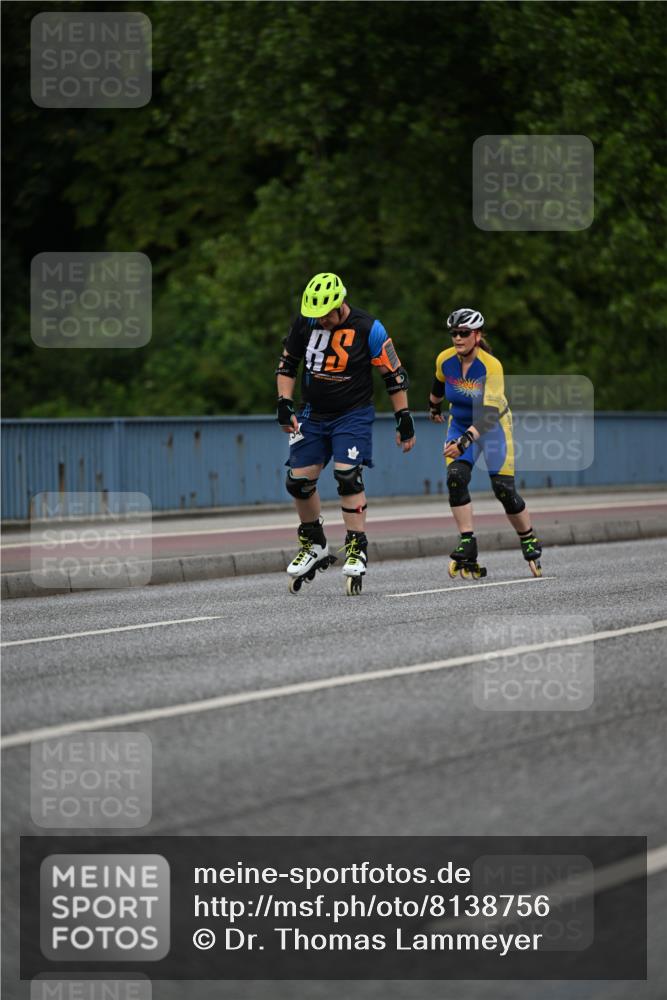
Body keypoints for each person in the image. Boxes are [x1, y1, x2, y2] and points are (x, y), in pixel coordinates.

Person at [276, 272, 416, 594]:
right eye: (316, 315)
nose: (321, 321)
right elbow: (287, 365)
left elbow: (394, 375)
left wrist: (403, 417)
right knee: (297, 482)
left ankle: (356, 546)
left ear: (340, 304)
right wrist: (284, 403)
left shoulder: (369, 328)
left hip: (352, 414)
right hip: (312, 414)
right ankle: (314, 543)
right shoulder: (305, 323)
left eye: (326, 314)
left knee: (347, 475)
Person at [428, 307, 543, 577]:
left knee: (503, 489)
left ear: (477, 336)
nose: (458, 338)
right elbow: (438, 383)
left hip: (492, 427)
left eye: (464, 333)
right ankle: (467, 541)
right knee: (455, 477)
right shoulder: (445, 359)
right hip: (459, 423)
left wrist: (465, 441)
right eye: (454, 333)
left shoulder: (491, 366)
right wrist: (433, 407)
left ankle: (528, 537)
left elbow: (489, 415)